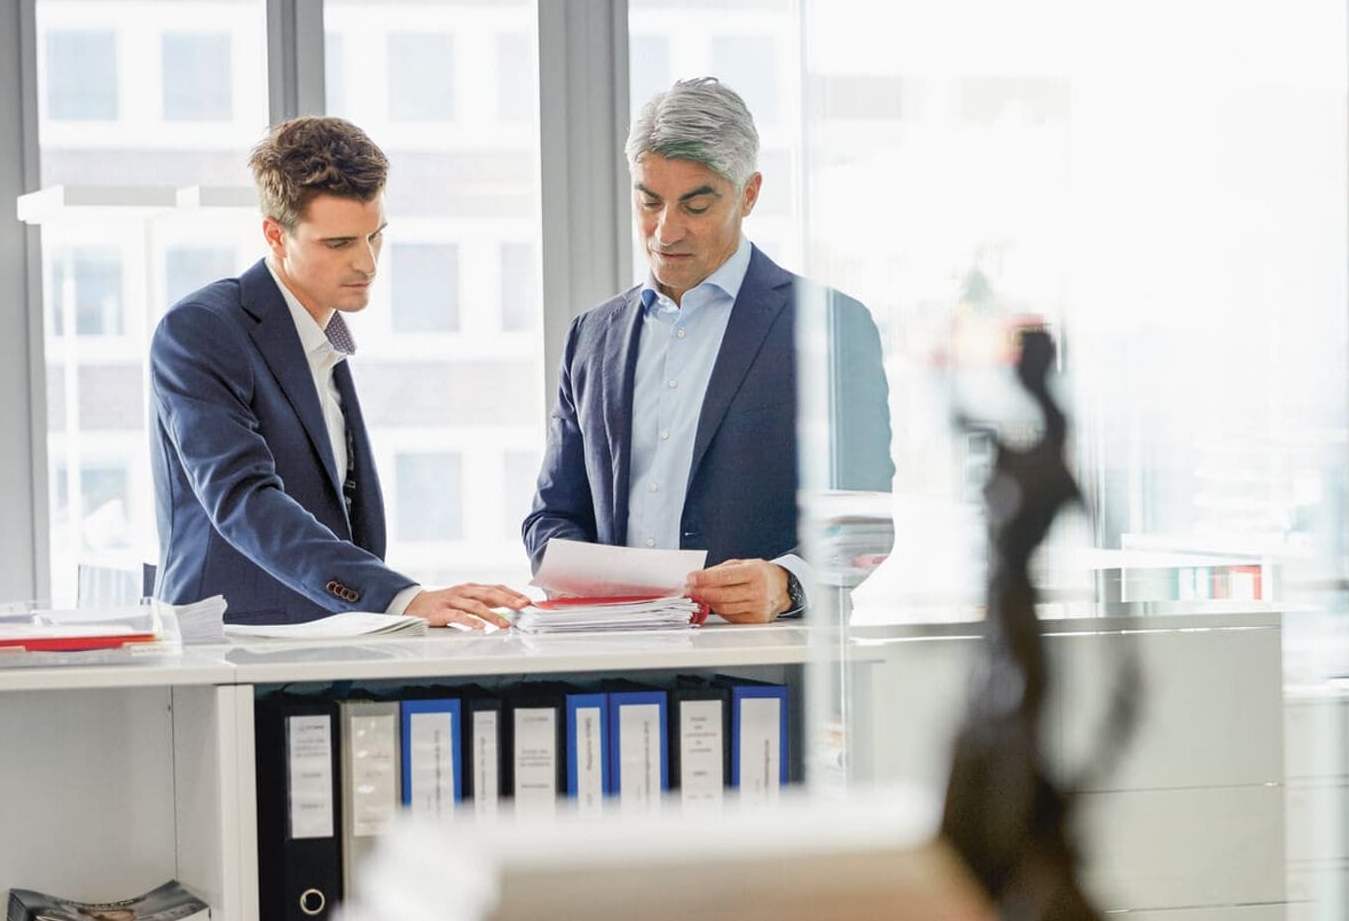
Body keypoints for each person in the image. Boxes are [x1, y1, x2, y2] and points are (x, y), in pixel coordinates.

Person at [522, 78, 893, 623]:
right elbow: (552, 515)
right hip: (613, 662)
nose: (665, 230)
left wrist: (788, 584)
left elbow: (866, 524)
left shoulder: (830, 327)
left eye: (696, 204)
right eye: (649, 201)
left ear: (749, 193)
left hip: (764, 663)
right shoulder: (591, 336)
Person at [150, 116, 530, 628]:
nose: (368, 263)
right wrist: (401, 598)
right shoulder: (202, 331)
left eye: (376, 237)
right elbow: (245, 502)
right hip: (234, 642)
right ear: (275, 236)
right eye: (339, 244)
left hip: (329, 639)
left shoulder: (322, 336)